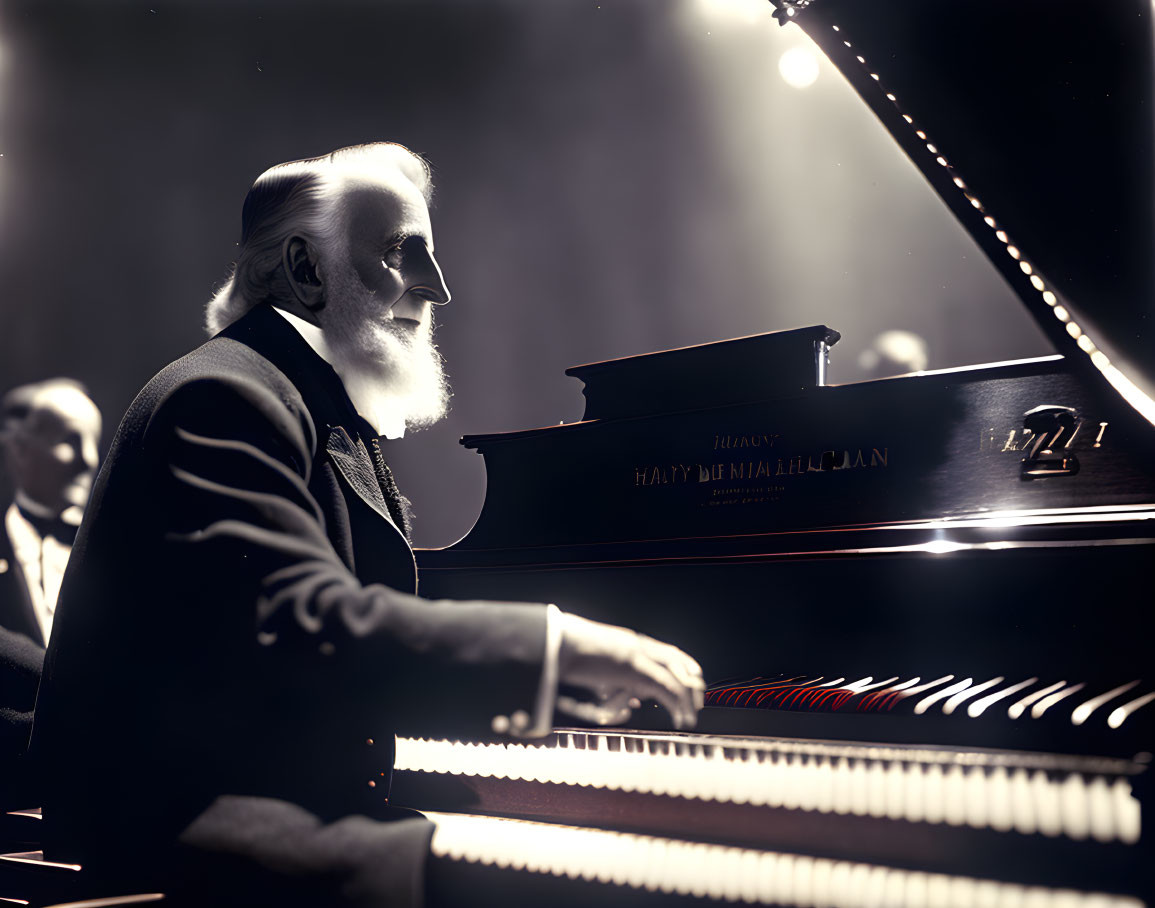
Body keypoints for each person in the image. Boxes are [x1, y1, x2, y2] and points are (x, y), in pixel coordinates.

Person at [31, 142, 704, 906]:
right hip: (174, 820)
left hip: (264, 784)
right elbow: (311, 619)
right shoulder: (221, 396)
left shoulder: (302, 395)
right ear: (305, 267)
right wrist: (558, 647)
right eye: (398, 253)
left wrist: (557, 698)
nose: (437, 288)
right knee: (553, 882)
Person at [0, 378, 102, 647]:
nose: (89, 459)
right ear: (19, 449)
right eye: (71, 440)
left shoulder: (106, 551)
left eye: (95, 442)